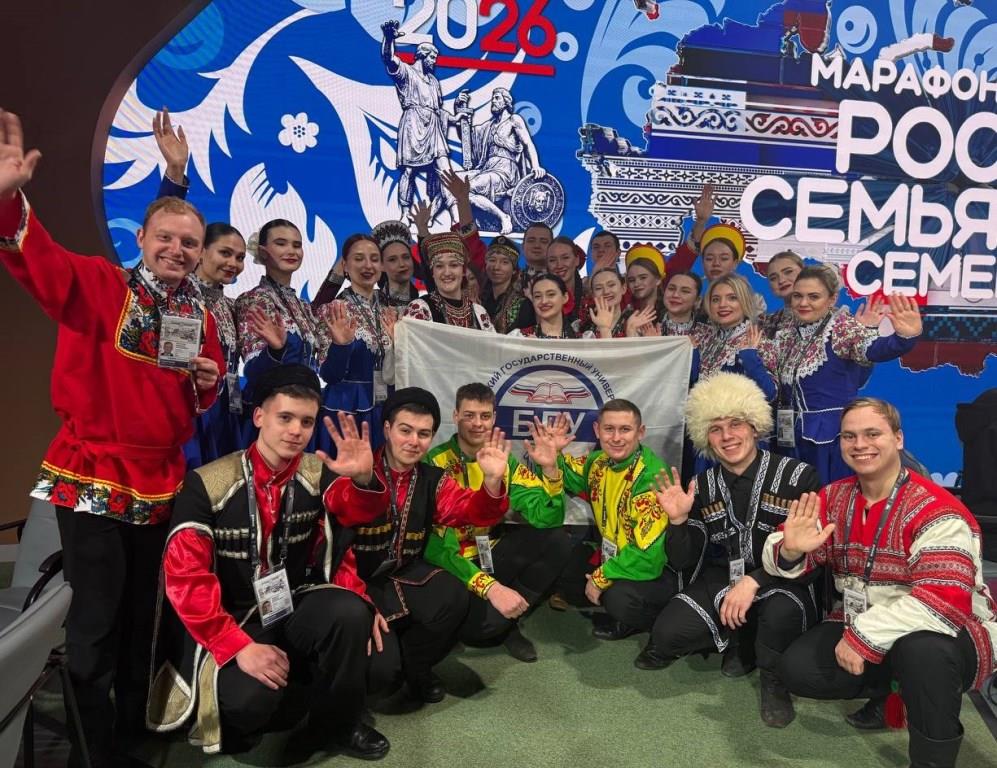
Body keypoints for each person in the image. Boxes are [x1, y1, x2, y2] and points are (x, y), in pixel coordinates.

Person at [0, 110, 224, 768]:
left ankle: (132, 739)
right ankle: (90, 752)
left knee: (143, 619)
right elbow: (38, 263)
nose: (177, 250)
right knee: (95, 624)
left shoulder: (199, 314)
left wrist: (208, 382)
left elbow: (199, 397)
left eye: (189, 243)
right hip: (93, 475)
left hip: (162, 483)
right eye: (166, 238)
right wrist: (9, 199)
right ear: (141, 237)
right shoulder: (100, 285)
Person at [148, 365, 391, 759]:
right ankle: (278, 701)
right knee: (248, 705)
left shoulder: (317, 472)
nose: (296, 431)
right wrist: (237, 646)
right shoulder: (207, 483)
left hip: (292, 605)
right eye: (285, 418)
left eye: (307, 422)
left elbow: (354, 512)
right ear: (259, 416)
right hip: (231, 618)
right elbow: (186, 578)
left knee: (349, 613)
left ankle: (340, 724)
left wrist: (363, 481)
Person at [763, 398, 997, 768]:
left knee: (923, 655)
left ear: (898, 439)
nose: (860, 444)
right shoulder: (833, 496)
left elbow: (943, 603)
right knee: (799, 669)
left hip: (946, 631)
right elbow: (782, 545)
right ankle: (893, 691)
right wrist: (791, 550)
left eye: (873, 434)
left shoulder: (937, 509)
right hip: (863, 618)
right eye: (849, 436)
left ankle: (931, 759)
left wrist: (862, 638)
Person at [638, 373, 822, 729]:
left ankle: (773, 680)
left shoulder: (799, 476)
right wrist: (677, 521)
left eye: (735, 424)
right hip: (724, 576)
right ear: (704, 437)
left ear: (754, 426)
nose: (727, 436)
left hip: (785, 578)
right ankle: (742, 638)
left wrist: (756, 580)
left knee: (780, 611)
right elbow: (683, 561)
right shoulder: (701, 484)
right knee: (666, 636)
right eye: (716, 429)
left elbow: (812, 556)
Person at [356, 387, 511, 702]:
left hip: (404, 575)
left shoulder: (432, 478)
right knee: (382, 677)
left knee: (453, 595)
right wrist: (360, 601)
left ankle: (418, 667)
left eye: (424, 434)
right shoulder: (358, 472)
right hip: (357, 583)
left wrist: (492, 481)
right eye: (405, 430)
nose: (414, 441)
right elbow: (333, 550)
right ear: (387, 429)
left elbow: (470, 511)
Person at [424, 384, 572, 662]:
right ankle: (488, 619)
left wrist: (551, 469)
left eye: (484, 416)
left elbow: (547, 519)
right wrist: (485, 585)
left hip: (491, 552)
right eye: (469, 415)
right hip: (452, 565)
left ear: (494, 418)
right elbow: (435, 546)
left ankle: (512, 617)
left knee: (558, 540)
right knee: (480, 631)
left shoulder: (505, 460)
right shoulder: (433, 462)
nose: (477, 423)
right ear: (455, 416)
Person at [758, 265, 922, 483]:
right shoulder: (787, 334)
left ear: (832, 299)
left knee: (829, 496)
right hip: (788, 436)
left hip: (830, 440)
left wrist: (904, 338)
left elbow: (872, 349)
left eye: (813, 296)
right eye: (798, 296)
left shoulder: (840, 328)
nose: (803, 303)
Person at [556, 400, 680, 640]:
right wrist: (553, 453)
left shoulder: (651, 477)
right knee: (570, 575)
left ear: (640, 432)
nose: (616, 438)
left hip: (657, 568)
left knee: (617, 599)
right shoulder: (598, 461)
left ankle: (666, 624)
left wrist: (601, 577)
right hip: (615, 555)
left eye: (625, 429)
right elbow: (572, 478)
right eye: (609, 429)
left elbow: (648, 556)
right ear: (597, 430)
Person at [235, 219, 332, 426]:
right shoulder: (253, 299)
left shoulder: (304, 307)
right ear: (263, 252)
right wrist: (275, 351)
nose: (291, 251)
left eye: (297, 245)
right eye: (281, 243)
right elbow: (252, 371)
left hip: (305, 407)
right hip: (271, 411)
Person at [316, 234, 398, 454]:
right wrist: (341, 346)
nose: (368, 265)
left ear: (382, 266)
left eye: (374, 259)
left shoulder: (391, 311)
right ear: (345, 266)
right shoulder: (333, 309)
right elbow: (329, 375)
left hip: (386, 407)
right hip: (346, 408)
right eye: (359, 259)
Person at [442, 87, 545, 235]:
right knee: (449, 179)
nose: (493, 101)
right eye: (492, 98)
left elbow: (528, 143)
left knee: (467, 187)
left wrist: (536, 166)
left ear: (506, 102)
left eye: (497, 98)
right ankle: (458, 223)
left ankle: (503, 217)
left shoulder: (514, 120)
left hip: (505, 171)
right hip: (487, 168)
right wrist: (458, 109)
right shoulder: (489, 126)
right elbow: (467, 137)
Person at [381, 20, 457, 218]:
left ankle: (455, 216)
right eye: (432, 57)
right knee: (408, 171)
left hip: (433, 128)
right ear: (422, 55)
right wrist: (389, 39)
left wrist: (455, 119)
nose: (435, 61)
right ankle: (405, 213)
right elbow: (389, 58)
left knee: (445, 170)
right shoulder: (407, 72)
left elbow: (439, 110)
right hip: (413, 124)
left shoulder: (433, 81)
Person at [404, 232, 495, 330]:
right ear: (433, 272)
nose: (447, 273)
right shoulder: (420, 309)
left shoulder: (479, 313)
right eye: (439, 266)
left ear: (463, 271)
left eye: (454, 265)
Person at [508, 273, 594, 339]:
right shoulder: (519, 338)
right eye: (537, 296)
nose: (544, 301)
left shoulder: (582, 341)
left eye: (551, 294)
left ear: (565, 297)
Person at [480, 235, 530, 333]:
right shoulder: (479, 299)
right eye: (492, 260)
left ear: (514, 270)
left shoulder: (522, 305)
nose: (496, 267)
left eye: (504, 262)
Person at [373, 219, 422, 308]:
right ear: (381, 266)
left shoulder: (424, 305)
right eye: (392, 260)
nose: (402, 264)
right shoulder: (369, 303)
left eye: (406, 257)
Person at [759, 250, 804, 339]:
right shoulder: (766, 323)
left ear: (804, 271)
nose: (781, 280)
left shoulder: (826, 316)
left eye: (788, 272)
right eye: (773, 278)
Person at [545, 236, 587, 326]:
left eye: (565, 258)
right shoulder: (541, 299)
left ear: (577, 260)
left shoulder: (590, 296)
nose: (559, 265)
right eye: (552, 260)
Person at [585, 268, 629, 338]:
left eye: (611, 285)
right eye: (599, 288)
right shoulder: (585, 325)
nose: (606, 292)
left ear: (623, 288)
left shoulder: (633, 322)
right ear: (593, 295)